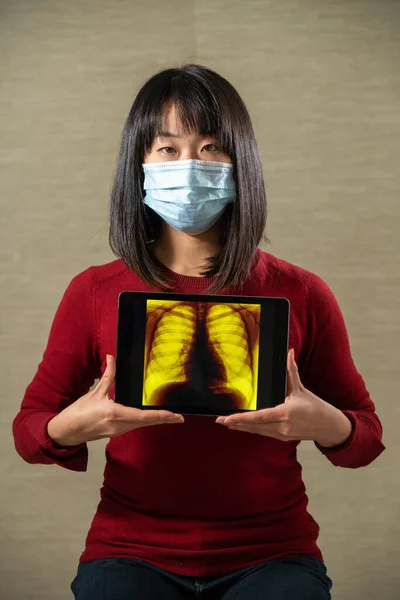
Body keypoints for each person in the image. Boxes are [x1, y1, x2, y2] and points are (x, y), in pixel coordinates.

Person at [12, 64, 385, 600]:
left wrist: (327, 424)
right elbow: (29, 430)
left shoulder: (301, 292)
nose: (190, 165)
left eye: (211, 147)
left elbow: (366, 439)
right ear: (138, 164)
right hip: (130, 549)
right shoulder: (94, 291)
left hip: (272, 551)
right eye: (168, 148)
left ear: (242, 163)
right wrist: (69, 428)